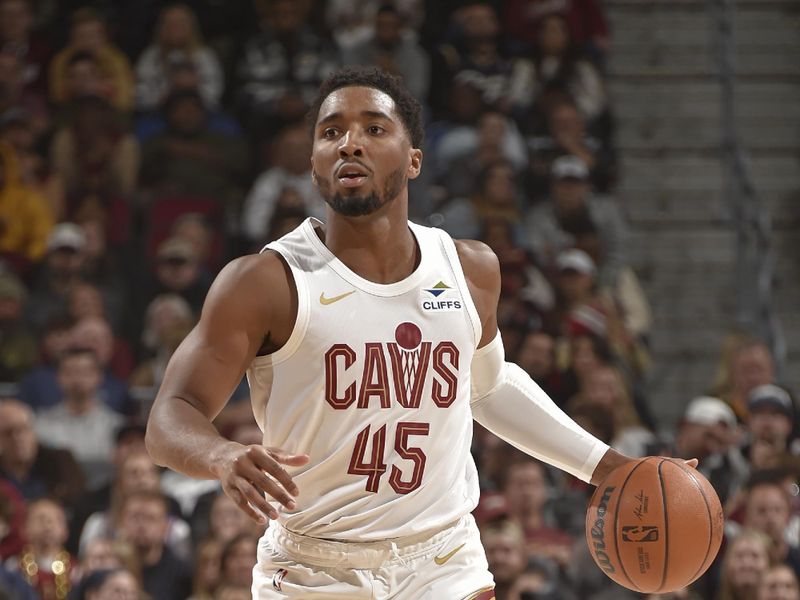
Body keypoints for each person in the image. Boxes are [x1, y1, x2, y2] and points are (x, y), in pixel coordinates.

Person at [145, 66, 654, 599]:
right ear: (314, 164)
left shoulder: (470, 268)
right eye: (331, 132)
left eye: (374, 128)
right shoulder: (265, 281)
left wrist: (610, 468)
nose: (350, 144)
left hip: (442, 560)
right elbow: (169, 417)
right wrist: (220, 455)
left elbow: (487, 386)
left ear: (414, 161)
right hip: (314, 565)